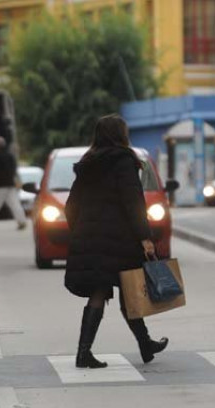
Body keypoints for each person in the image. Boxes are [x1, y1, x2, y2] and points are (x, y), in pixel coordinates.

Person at [64, 114, 168, 369]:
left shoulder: (87, 164)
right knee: (129, 289)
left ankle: (87, 352)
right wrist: (145, 237)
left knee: (102, 290)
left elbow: (70, 205)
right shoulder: (124, 161)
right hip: (120, 238)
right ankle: (143, 344)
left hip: (90, 237)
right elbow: (134, 203)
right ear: (120, 135)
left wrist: (81, 229)